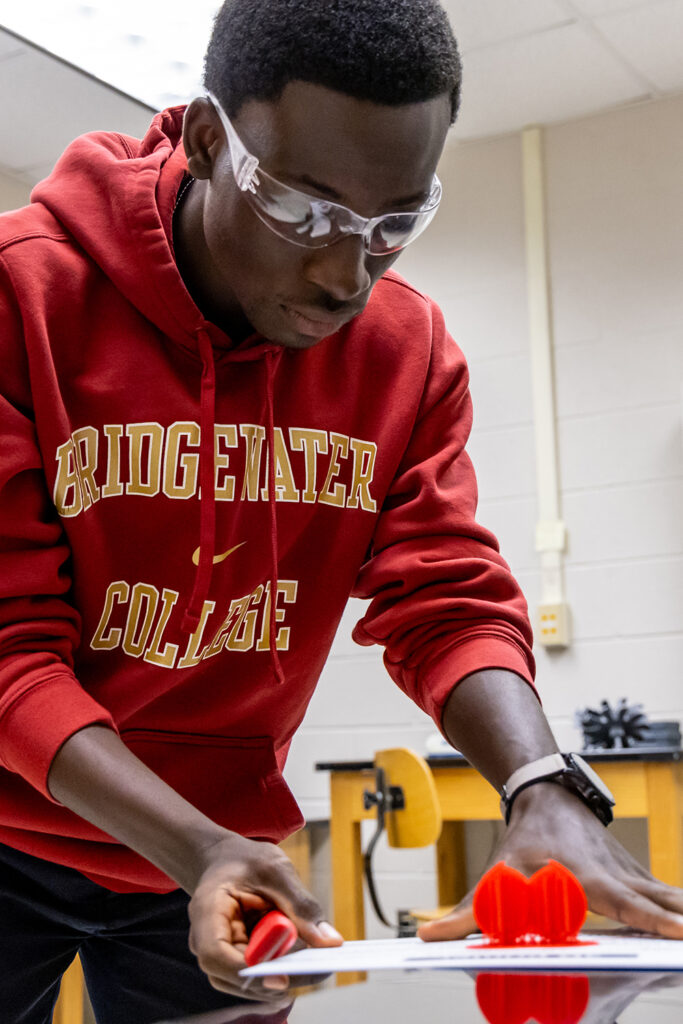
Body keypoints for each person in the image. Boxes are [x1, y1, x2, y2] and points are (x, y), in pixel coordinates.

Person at [1, 0, 682, 1021]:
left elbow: (447, 599)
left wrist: (540, 781)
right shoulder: (25, 298)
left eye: (393, 223)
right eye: (301, 207)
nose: (342, 272)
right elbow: (10, 649)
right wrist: (199, 845)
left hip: (216, 859)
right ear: (202, 139)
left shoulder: (405, 357)